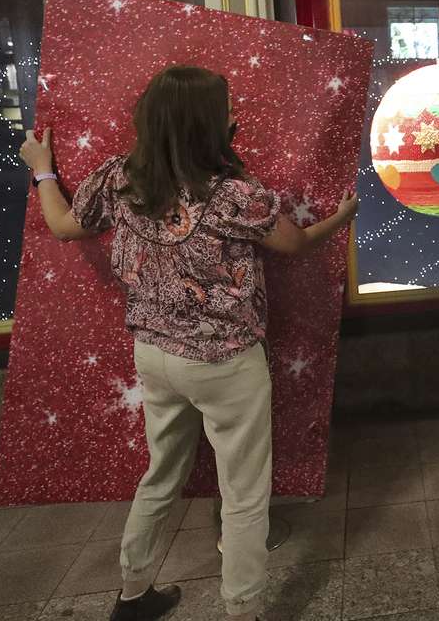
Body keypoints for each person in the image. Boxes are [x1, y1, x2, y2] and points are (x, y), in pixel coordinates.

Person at [19, 66, 358, 620]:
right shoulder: (231, 196)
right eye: (225, 109)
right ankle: (242, 609)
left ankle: (132, 595)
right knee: (245, 495)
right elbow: (294, 243)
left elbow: (62, 226)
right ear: (207, 125)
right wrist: (340, 217)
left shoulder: (117, 179)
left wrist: (42, 171)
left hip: (154, 356)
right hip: (226, 362)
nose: (233, 116)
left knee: (161, 474)